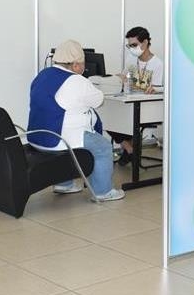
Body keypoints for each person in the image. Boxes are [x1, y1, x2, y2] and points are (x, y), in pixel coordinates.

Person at [27, 40, 125, 201]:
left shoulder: (43, 75)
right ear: (75, 65)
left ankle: (64, 184)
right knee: (103, 147)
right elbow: (98, 100)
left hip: (38, 137)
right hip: (59, 137)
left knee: (69, 143)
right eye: (83, 64)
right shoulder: (77, 81)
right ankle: (103, 192)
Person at [114, 26, 164, 165]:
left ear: (145, 42)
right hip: (129, 102)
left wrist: (152, 89)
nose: (131, 49)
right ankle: (130, 149)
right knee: (109, 115)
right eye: (129, 46)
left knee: (121, 118)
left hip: (146, 107)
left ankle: (130, 150)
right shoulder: (131, 59)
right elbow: (123, 77)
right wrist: (117, 79)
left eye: (134, 45)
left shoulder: (158, 64)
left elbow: (156, 90)